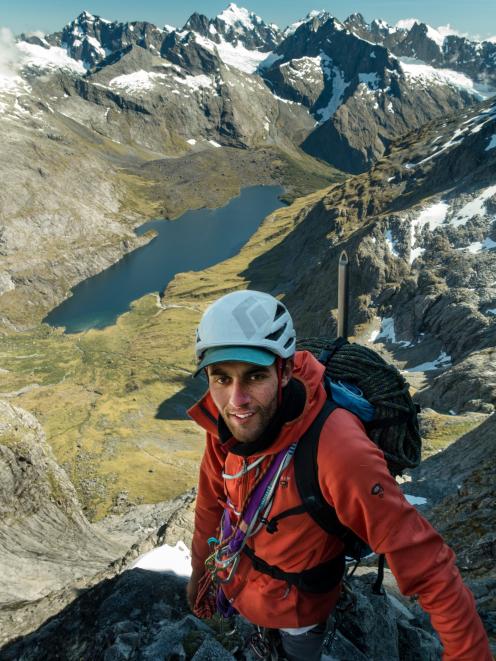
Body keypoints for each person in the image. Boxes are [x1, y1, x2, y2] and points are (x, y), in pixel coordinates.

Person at [186, 290, 491, 660]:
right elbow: (210, 503)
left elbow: (427, 564)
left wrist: (468, 653)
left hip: (299, 608)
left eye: (254, 376)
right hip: (243, 582)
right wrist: (198, 575)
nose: (237, 400)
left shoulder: (338, 449)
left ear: (284, 371)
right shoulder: (226, 423)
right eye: (221, 378)